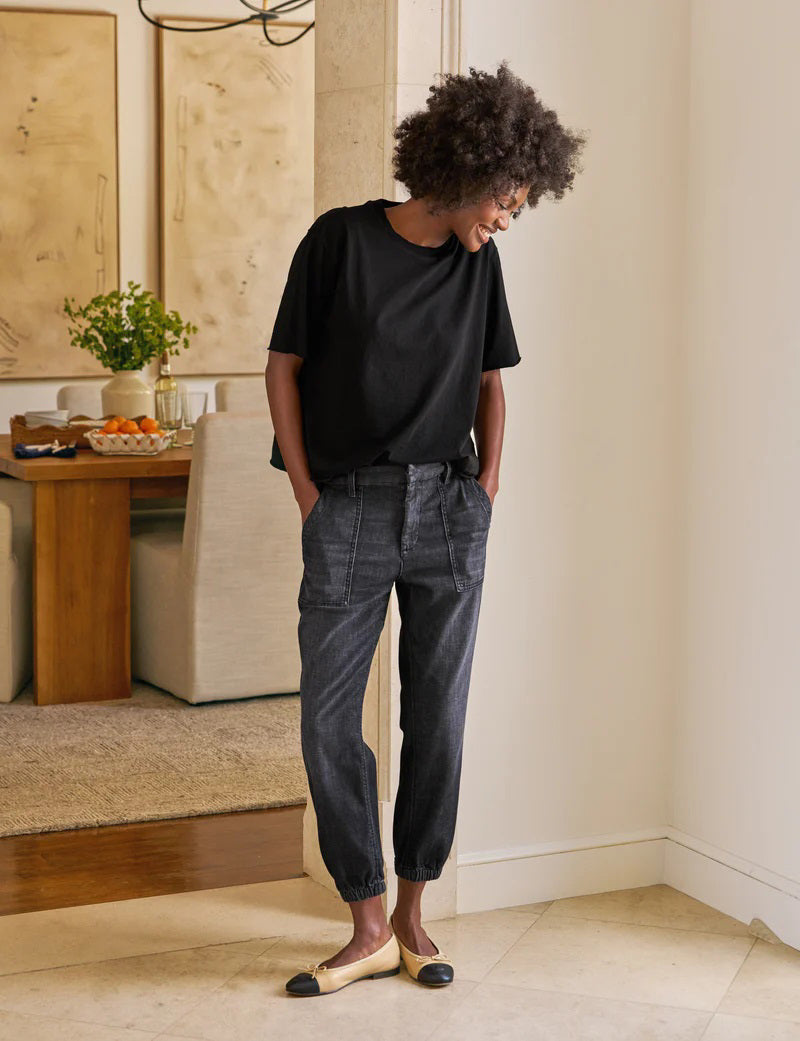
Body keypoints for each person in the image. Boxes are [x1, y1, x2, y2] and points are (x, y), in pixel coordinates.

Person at [265, 60, 585, 997]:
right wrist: (310, 494)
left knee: (436, 717)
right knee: (328, 718)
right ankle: (365, 922)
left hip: (448, 511)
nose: (508, 219)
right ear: (463, 167)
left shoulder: (481, 266)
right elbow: (283, 367)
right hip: (350, 506)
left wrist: (485, 486)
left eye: (518, 206)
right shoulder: (340, 241)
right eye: (505, 200)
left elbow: (491, 382)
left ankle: (412, 914)